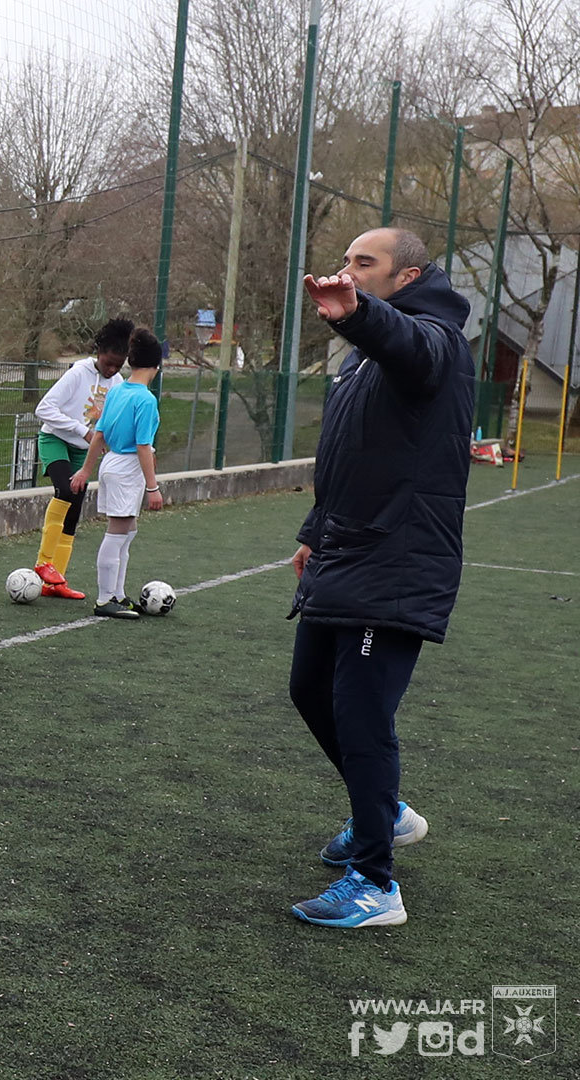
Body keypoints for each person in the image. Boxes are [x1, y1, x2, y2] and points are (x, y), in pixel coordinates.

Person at [283, 228, 473, 928]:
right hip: (347, 550)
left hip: (397, 558)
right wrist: (313, 534)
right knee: (309, 690)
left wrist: (359, 314)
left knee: (364, 719)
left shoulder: (434, 340)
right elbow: (351, 452)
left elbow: (411, 345)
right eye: (345, 260)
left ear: (408, 275)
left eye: (365, 264)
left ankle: (375, 884)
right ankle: (385, 814)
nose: (348, 272)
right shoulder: (365, 358)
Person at [31, 318, 133, 600]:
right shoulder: (78, 372)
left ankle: (55, 582)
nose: (111, 369)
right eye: (108, 362)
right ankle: (43, 563)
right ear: (98, 351)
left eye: (118, 364)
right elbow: (44, 408)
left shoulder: (118, 382)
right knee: (64, 491)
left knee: (75, 506)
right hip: (55, 440)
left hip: (83, 449)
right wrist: (82, 431)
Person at [70, 328, 165, 618]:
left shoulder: (117, 390)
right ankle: (104, 599)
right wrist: (153, 487)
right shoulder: (146, 400)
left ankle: (119, 594)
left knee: (127, 532)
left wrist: (86, 470)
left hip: (112, 465)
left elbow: (99, 434)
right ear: (156, 368)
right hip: (127, 469)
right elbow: (143, 446)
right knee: (117, 531)